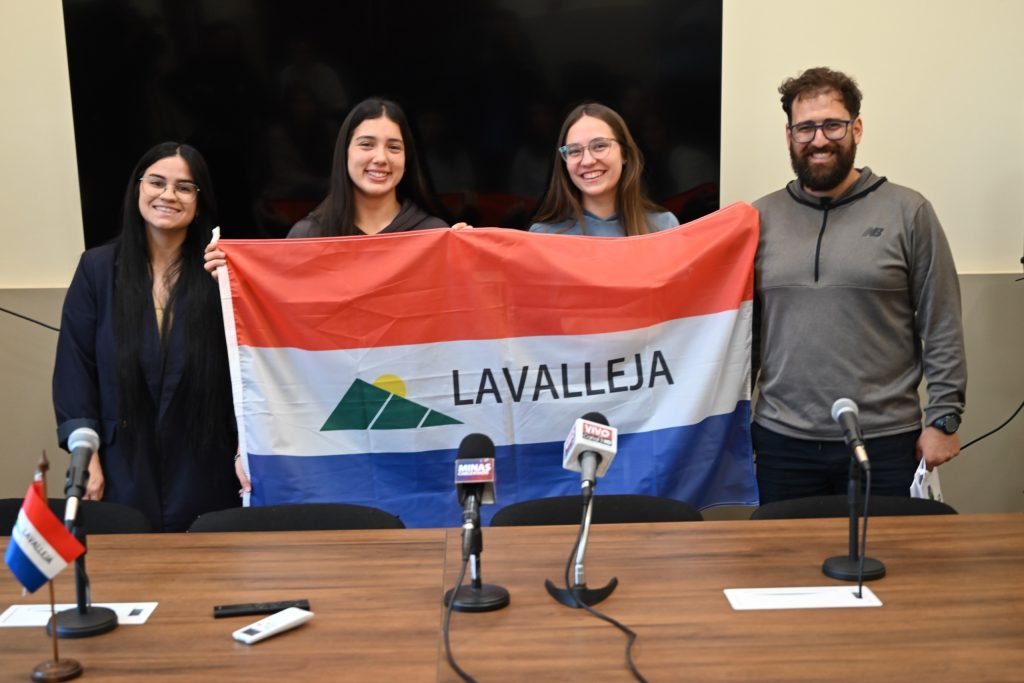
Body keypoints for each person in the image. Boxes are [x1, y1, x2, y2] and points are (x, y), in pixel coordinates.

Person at [751, 67, 966, 504]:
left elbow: (941, 322)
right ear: (789, 134)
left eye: (832, 124)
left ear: (857, 128)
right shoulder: (759, 219)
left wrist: (943, 419)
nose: (819, 139)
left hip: (886, 441)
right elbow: (744, 335)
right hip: (781, 442)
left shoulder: (908, 211)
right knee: (789, 568)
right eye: (805, 127)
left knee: (892, 566)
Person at [53, 142, 240, 531]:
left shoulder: (220, 272)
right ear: (138, 188)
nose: (168, 195)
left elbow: (252, 372)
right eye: (156, 182)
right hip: (120, 472)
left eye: (185, 187)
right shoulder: (97, 269)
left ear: (200, 201)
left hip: (207, 473)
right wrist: (85, 455)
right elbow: (76, 370)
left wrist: (249, 452)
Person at [529, 102, 678, 236]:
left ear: (624, 153)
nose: (587, 161)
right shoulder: (543, 236)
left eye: (600, 146)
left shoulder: (664, 226)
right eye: (574, 151)